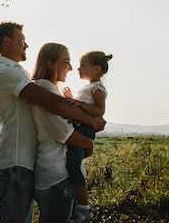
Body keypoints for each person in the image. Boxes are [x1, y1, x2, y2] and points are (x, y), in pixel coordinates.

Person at [0, 22, 106, 223]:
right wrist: (92, 121)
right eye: (22, 40)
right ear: (7, 42)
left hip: (27, 160)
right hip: (16, 159)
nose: (26, 45)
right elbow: (53, 104)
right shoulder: (6, 72)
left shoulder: (22, 73)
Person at [30, 43, 94, 223]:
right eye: (66, 62)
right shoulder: (44, 87)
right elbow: (61, 132)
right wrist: (89, 144)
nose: (71, 68)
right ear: (50, 63)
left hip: (59, 173)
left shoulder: (52, 88)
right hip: (55, 175)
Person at [63, 51, 112, 223]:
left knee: (74, 164)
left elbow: (99, 111)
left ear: (97, 68)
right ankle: (74, 199)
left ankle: (84, 207)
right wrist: (71, 99)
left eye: (83, 65)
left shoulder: (97, 88)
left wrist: (80, 104)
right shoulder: (87, 87)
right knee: (71, 161)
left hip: (84, 129)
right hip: (79, 126)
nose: (78, 68)